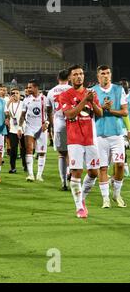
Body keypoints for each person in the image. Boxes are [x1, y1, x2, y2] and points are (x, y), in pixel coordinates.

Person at [58, 65, 103, 218]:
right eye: (75, 74)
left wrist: (94, 102)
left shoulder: (91, 93)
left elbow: (100, 114)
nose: (79, 76)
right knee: (76, 172)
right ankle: (79, 207)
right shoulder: (65, 95)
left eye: (81, 74)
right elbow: (70, 114)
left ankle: (81, 198)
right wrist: (84, 100)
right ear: (70, 78)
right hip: (74, 139)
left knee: (94, 172)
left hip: (90, 139)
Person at [91, 66, 128, 208]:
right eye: (102, 74)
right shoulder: (92, 91)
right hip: (99, 134)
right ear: (98, 76)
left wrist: (109, 110)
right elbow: (92, 112)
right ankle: (105, 198)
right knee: (103, 168)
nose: (105, 76)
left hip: (117, 134)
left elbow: (125, 112)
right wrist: (101, 107)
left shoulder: (119, 90)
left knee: (119, 165)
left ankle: (116, 194)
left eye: (107, 73)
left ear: (111, 75)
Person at [46, 69, 72, 190]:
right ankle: (70, 171)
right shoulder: (72, 90)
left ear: (58, 78)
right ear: (69, 78)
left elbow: (48, 110)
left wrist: (52, 124)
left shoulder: (51, 92)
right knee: (73, 151)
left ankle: (64, 183)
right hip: (72, 122)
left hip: (59, 123)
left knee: (62, 154)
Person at [19, 80, 49, 182]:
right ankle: (31, 174)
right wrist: (20, 127)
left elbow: (50, 113)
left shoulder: (44, 99)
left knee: (42, 152)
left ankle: (39, 175)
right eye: (28, 87)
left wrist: (47, 123)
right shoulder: (26, 100)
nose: (28, 89)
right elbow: (22, 115)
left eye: (30, 87)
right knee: (29, 149)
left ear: (36, 87)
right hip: (29, 127)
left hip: (41, 128)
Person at [7, 88, 26, 174]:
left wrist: (20, 128)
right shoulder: (8, 104)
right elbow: (6, 113)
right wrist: (8, 102)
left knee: (23, 149)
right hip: (12, 130)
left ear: (20, 95)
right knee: (13, 149)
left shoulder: (23, 104)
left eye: (17, 93)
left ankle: (25, 165)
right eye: (13, 93)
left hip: (23, 129)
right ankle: (13, 167)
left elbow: (23, 116)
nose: (15, 94)